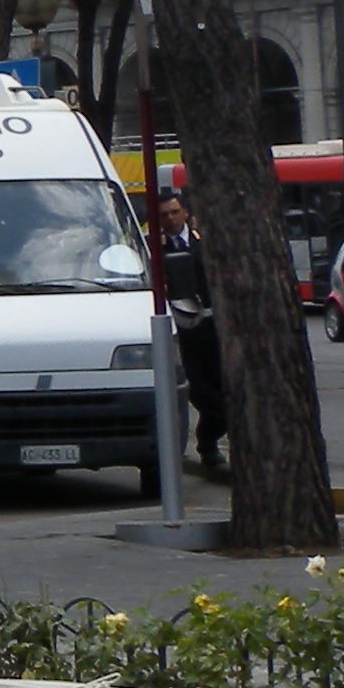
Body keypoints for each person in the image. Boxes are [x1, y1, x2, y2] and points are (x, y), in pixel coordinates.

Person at [151, 188, 228, 478]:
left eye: (174, 212)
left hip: (213, 325)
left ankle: (209, 441)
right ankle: (209, 443)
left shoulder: (204, 243)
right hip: (180, 331)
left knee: (224, 386)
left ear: (185, 213)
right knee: (199, 389)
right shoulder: (153, 249)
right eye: (163, 215)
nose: (170, 219)